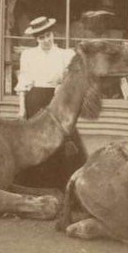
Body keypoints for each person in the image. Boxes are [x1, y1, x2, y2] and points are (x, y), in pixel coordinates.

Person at [15, 16, 86, 187]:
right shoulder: (28, 55)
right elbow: (24, 82)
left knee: (62, 140)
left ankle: (65, 185)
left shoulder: (65, 54)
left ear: (52, 34)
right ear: (36, 39)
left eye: (48, 35)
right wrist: (21, 107)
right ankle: (38, 185)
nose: (46, 40)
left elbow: (71, 79)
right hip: (35, 100)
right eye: (41, 38)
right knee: (38, 142)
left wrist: (61, 87)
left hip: (58, 100)